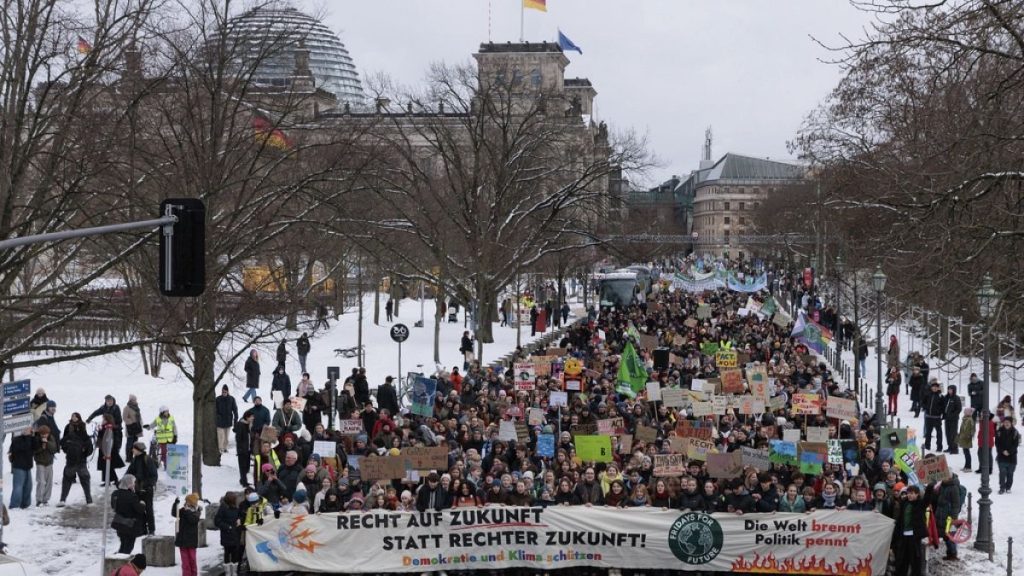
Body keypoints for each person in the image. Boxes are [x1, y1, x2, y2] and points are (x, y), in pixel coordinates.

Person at [58, 412, 93, 506]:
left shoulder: (81, 428)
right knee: (79, 479)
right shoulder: (68, 427)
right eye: (72, 416)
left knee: (73, 479)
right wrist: (68, 450)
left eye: (75, 416)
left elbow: (62, 442)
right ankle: (88, 500)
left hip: (78, 459)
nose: (73, 418)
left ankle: (87, 499)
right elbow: (63, 441)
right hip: (73, 459)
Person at [893, 486, 927, 576]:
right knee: (902, 559)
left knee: (915, 560)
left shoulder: (920, 504)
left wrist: (930, 486)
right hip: (903, 535)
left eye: (912, 493)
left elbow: (928, 498)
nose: (909, 495)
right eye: (908, 493)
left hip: (914, 536)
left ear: (917, 494)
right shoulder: (904, 503)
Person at [126, 442, 159, 535]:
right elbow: (129, 472)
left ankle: (151, 529)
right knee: (138, 509)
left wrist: (146, 484)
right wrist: (123, 481)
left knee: (148, 510)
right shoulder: (135, 459)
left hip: (147, 490)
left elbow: (154, 476)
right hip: (137, 489)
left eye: (134, 448)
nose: (132, 450)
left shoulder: (147, 459)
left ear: (138, 450)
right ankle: (142, 528)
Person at [111, 474, 147, 554]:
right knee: (128, 547)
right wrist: (142, 503)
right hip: (130, 525)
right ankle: (122, 563)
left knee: (123, 544)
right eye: (133, 482)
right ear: (129, 484)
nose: (134, 484)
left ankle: (118, 559)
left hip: (119, 523)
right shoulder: (132, 496)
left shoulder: (115, 494)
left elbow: (113, 506)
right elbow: (139, 509)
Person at [172, 493, 202, 576]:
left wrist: (186, 510)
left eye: (187, 501)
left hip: (191, 541)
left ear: (191, 502)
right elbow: (175, 513)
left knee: (192, 560)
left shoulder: (196, 512)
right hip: (182, 540)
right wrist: (176, 504)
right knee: (185, 563)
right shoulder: (183, 510)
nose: (185, 502)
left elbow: (193, 520)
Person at [214, 492, 243, 576]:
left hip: (235, 534)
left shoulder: (236, 508)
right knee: (227, 553)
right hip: (227, 534)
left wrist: (239, 519)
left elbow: (240, 515)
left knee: (235, 554)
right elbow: (217, 521)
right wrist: (228, 527)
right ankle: (228, 572)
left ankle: (234, 572)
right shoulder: (223, 508)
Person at [8, 427, 36, 509]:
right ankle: (14, 505)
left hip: (27, 465)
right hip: (18, 466)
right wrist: (27, 437)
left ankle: (25, 504)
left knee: (28, 486)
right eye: (27, 429)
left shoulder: (29, 438)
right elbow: (24, 447)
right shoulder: (16, 439)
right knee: (18, 487)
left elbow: (35, 447)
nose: (29, 430)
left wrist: (33, 436)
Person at [33, 424, 58, 506]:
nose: (44, 435)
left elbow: (54, 449)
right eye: (42, 434)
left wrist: (47, 443)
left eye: (46, 434)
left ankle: (45, 499)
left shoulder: (51, 438)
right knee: (41, 481)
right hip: (40, 462)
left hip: (49, 462)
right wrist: (42, 447)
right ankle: (39, 499)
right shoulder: (36, 439)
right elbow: (34, 451)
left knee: (49, 482)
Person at [98, 413, 125, 486]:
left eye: (103, 419)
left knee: (108, 465)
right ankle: (109, 480)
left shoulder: (109, 428)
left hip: (108, 450)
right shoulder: (105, 427)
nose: (102, 420)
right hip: (104, 449)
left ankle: (110, 480)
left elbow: (108, 439)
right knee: (106, 466)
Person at [995, 416, 1020, 494]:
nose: (1006, 424)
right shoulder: (999, 431)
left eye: (1008, 422)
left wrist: (1009, 452)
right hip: (1001, 456)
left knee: (1010, 473)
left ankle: (1008, 487)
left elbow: (1015, 444)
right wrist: (1002, 451)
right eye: (1005, 422)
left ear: (1011, 423)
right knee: (1002, 472)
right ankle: (1002, 487)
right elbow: (997, 444)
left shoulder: (1015, 432)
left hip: (1012, 457)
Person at [922, 380, 946, 452]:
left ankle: (939, 447)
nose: (934, 388)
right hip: (929, 417)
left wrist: (940, 412)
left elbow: (943, 406)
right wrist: (925, 407)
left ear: (938, 388)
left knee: (939, 433)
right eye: (933, 387)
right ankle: (927, 445)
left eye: (936, 387)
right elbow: (923, 402)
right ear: (931, 388)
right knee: (928, 432)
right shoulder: (928, 394)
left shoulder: (941, 396)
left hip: (937, 417)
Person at [215, 385, 239, 454]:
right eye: (223, 392)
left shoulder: (231, 399)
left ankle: (225, 448)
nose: (224, 393)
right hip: (220, 421)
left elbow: (235, 409)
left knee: (226, 436)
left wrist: (236, 418)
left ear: (227, 392)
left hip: (228, 420)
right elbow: (215, 409)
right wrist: (217, 416)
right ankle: (220, 448)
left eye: (225, 392)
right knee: (220, 435)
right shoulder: (218, 399)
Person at [234, 411, 255, 486]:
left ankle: (243, 480)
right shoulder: (241, 425)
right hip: (242, 450)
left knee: (246, 467)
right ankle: (244, 482)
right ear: (247, 417)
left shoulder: (249, 425)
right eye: (251, 417)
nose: (253, 418)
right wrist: (241, 448)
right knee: (243, 467)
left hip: (248, 449)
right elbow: (238, 438)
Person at [943, 385, 963, 455]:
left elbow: (959, 409)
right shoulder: (946, 397)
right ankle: (950, 446)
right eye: (948, 389)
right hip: (947, 418)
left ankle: (955, 448)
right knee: (947, 433)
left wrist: (952, 415)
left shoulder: (956, 398)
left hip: (954, 419)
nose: (949, 391)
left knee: (953, 433)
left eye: (951, 389)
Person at [123, 395, 143, 461]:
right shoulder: (127, 408)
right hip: (130, 428)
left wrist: (140, 423)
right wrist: (131, 422)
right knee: (129, 443)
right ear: (130, 400)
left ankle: (134, 455)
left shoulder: (137, 407)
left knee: (135, 443)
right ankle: (128, 457)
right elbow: (125, 418)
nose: (135, 401)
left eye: (135, 400)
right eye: (134, 400)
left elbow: (139, 417)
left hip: (137, 427)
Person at [957, 407, 975, 472]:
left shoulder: (969, 420)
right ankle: (966, 466)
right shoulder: (965, 419)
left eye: (965, 412)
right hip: (963, 438)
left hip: (966, 439)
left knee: (967, 453)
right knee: (965, 452)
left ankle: (968, 467)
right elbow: (962, 429)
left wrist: (969, 436)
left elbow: (972, 429)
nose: (964, 413)